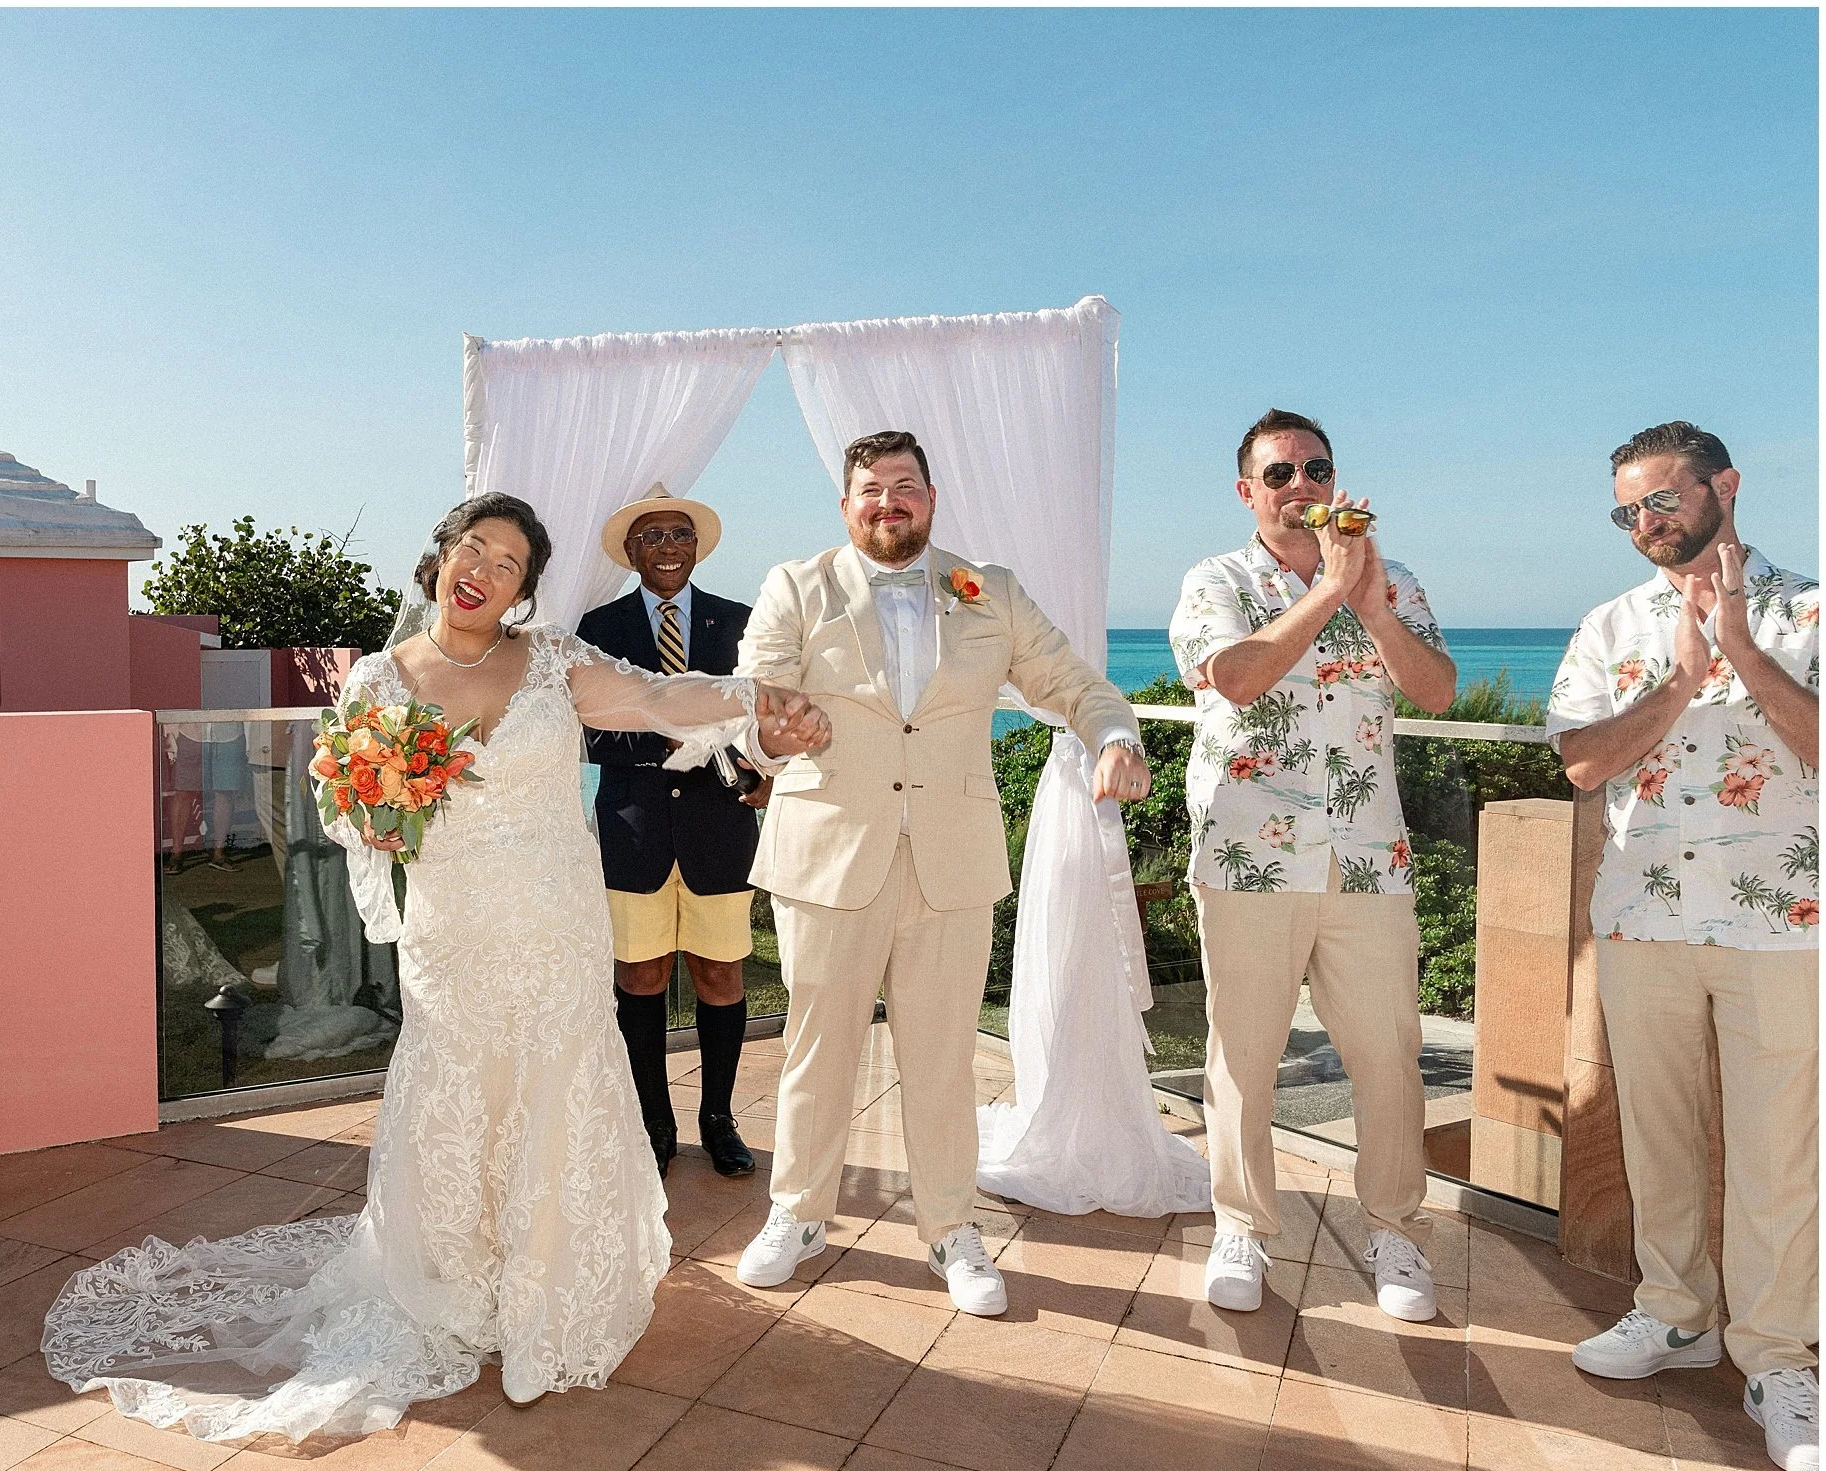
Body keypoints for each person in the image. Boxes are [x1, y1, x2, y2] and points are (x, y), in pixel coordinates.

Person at [43, 492, 830, 1439]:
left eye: (508, 564)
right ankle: (453, 1287)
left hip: (554, 922)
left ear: (523, 591)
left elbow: (660, 701)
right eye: (475, 548)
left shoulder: (552, 661)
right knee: (460, 1089)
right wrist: (374, 816)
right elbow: (343, 802)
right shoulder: (381, 678)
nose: (484, 570)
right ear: (443, 557)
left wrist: (755, 698)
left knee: (556, 1082)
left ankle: (546, 1305)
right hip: (453, 932)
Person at [733, 429, 1149, 1317]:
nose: (889, 502)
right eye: (872, 489)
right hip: (827, 857)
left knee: (943, 1059)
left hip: (952, 863)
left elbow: (1077, 684)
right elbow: (752, 700)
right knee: (817, 1050)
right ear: (847, 506)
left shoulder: (989, 590)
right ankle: (797, 1214)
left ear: (931, 499)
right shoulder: (796, 586)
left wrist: (1114, 736)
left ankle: (951, 1230)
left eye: (905, 486)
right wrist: (771, 735)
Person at [1549, 421, 1818, 1471]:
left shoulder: (1809, 610)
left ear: (1724, 487)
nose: (1645, 522)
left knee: (1779, 1152)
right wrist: (1677, 682)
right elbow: (1581, 763)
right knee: (1655, 1135)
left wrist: (1742, 651)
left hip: (1783, 922)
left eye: (1661, 499)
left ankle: (1779, 1359)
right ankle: (1673, 1314)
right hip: (1641, 916)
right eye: (1628, 510)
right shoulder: (1609, 624)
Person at [1168, 408, 1457, 1323]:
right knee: (1244, 1053)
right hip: (1250, 852)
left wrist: (1371, 605)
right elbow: (1238, 676)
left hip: (1368, 855)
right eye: (1280, 473)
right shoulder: (1215, 580)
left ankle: (1394, 1231)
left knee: (1389, 1054)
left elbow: (1438, 691)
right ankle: (1242, 1227)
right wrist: (1331, 591)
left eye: (1317, 470)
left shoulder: (1393, 580)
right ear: (1246, 491)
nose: (1302, 486)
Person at [578, 483, 768, 1179]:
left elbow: (762, 719)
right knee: (642, 974)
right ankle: (652, 1122)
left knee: (720, 973)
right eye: (652, 536)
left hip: (720, 830)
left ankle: (718, 1120)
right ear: (631, 551)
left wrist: (764, 770)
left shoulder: (742, 623)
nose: (667, 547)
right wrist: (673, 736)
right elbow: (588, 730)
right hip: (634, 834)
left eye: (679, 534)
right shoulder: (596, 628)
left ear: (697, 547)